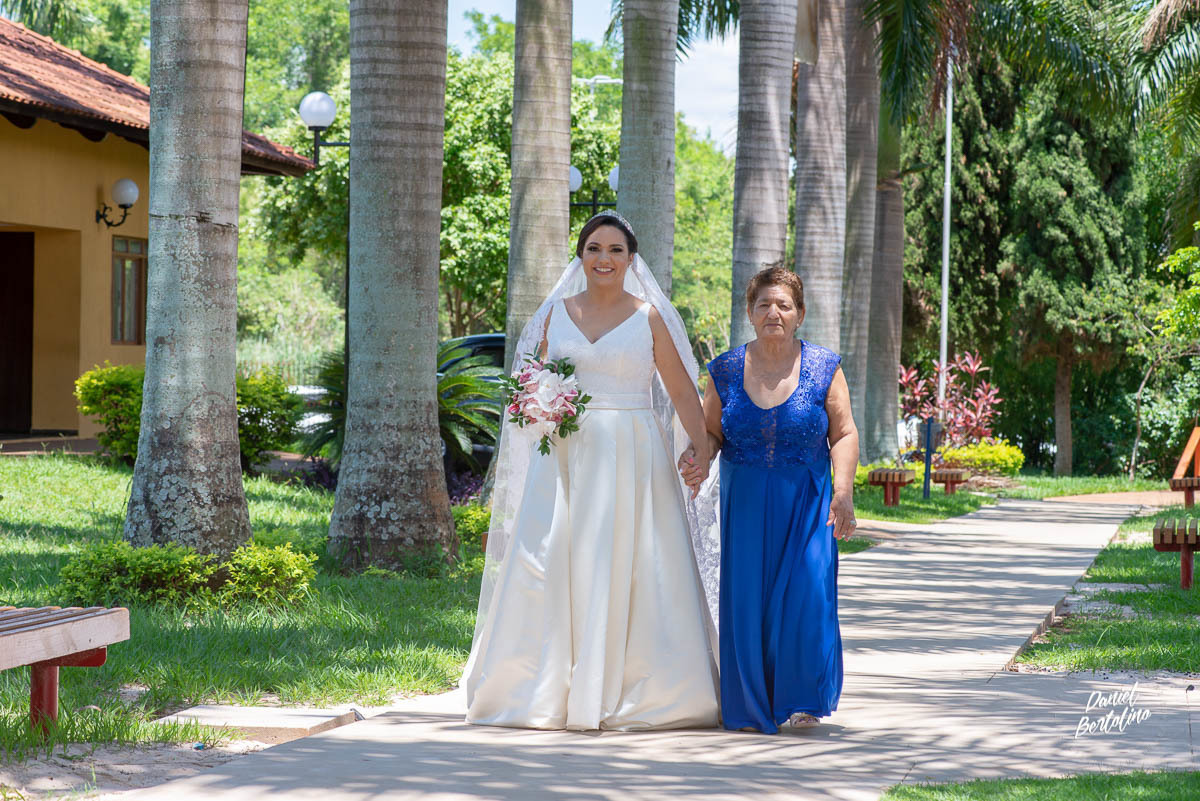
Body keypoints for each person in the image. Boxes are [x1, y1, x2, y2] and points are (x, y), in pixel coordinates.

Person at [462, 211, 720, 731]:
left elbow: (680, 393)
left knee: (633, 562)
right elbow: (527, 383)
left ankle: (636, 690)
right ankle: (545, 689)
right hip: (563, 458)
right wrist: (535, 405)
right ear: (580, 256)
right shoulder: (554, 315)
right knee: (549, 560)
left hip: (632, 456)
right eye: (594, 248)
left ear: (631, 259)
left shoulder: (649, 317)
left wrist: (704, 449)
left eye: (616, 250)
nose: (604, 259)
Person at [681, 266, 859, 734]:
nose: (773, 312)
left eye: (783, 305)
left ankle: (799, 697)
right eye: (764, 304)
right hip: (745, 502)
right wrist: (695, 457)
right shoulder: (722, 369)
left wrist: (843, 492)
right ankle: (753, 703)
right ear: (750, 312)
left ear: (799, 314)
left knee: (808, 594)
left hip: (809, 500)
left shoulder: (824, 366)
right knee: (749, 603)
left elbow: (843, 433)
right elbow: (711, 433)